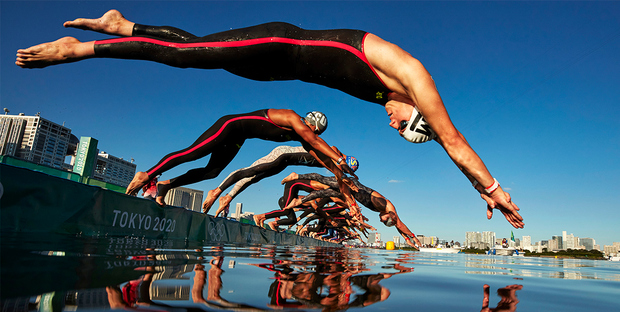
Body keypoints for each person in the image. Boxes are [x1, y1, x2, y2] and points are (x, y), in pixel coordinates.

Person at [16, 10, 523, 229]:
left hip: (276, 70)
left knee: (195, 48)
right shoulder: (413, 77)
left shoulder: (402, 101)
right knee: (186, 57)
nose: (390, 122)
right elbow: (451, 138)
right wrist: (492, 186)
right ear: (420, 112)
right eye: (403, 124)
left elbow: (443, 142)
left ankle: (124, 25)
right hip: (280, 42)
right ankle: (80, 49)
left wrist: (475, 189)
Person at [121, 108, 356, 206]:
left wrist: (342, 177)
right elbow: (315, 142)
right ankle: (148, 174)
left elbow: (324, 156)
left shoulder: (306, 137)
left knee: (212, 172)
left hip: (238, 138)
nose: (313, 135)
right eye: (314, 130)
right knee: (194, 153)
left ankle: (165, 186)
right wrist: (339, 158)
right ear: (310, 123)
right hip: (230, 126)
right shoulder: (293, 117)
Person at [202, 144, 359, 216]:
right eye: (347, 169)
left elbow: (342, 186)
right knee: (251, 171)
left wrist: (352, 205)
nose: (345, 172)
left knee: (254, 179)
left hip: (285, 162)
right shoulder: (335, 153)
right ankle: (217, 191)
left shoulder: (335, 167)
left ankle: (228, 197)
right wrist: (341, 162)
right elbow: (334, 151)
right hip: (282, 153)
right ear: (346, 160)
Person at [282, 172, 421, 248]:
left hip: (351, 196)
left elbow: (398, 224)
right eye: (383, 219)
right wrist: (413, 237)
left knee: (325, 192)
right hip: (352, 186)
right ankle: (297, 176)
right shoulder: (384, 204)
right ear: (389, 215)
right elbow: (400, 224)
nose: (379, 219)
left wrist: (406, 238)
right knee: (323, 180)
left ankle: (299, 201)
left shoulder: (391, 213)